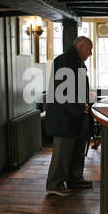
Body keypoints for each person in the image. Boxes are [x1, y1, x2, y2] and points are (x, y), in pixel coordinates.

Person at [45, 36, 94, 196]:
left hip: (76, 115)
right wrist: (81, 106)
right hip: (64, 116)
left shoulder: (77, 62)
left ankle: (74, 179)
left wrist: (84, 104)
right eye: (89, 49)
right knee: (63, 153)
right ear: (80, 46)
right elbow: (63, 91)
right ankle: (54, 184)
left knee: (77, 150)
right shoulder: (64, 61)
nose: (91, 53)